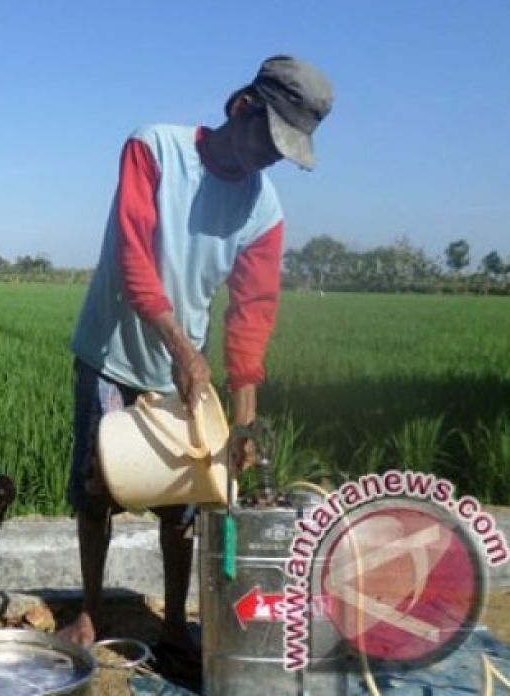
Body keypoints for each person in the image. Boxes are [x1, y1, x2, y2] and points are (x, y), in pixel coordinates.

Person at [60, 56, 333, 682]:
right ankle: (92, 611)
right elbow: (133, 257)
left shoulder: (264, 211)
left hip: (188, 369)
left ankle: (176, 622)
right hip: (113, 350)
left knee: (188, 503)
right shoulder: (154, 148)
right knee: (96, 488)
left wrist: (244, 424)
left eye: (283, 152)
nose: (268, 159)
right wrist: (182, 349)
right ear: (242, 107)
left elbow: (251, 316)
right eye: (268, 140)